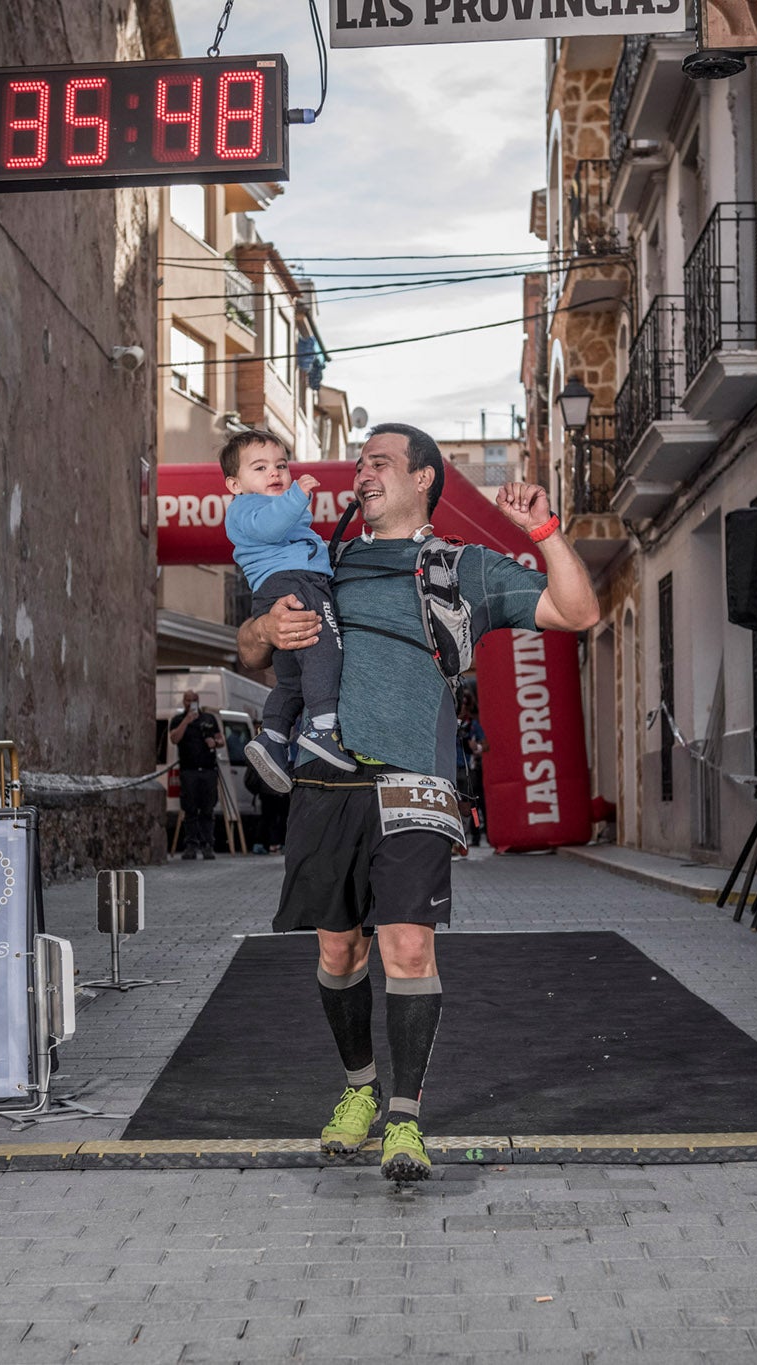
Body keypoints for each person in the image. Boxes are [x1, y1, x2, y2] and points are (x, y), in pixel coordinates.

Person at [235, 423, 599, 1182]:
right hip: (322, 780)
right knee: (339, 950)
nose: (363, 473)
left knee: (406, 947)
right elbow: (248, 649)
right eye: (361, 462)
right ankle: (359, 1089)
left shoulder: (460, 568)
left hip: (414, 781)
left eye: (381, 463)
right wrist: (266, 627)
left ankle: (405, 1119)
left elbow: (575, 613)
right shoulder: (322, 557)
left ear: (425, 477)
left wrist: (545, 533)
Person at [219, 429, 353, 790]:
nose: (275, 473)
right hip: (297, 585)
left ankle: (274, 737)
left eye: (281, 465)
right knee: (326, 649)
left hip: (276, 590)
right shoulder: (249, 507)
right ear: (235, 484)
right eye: (260, 468)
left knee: (292, 679)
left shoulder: (267, 506)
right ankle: (323, 729)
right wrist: (297, 496)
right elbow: (270, 527)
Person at [167, 688, 223, 860]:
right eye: (187, 700)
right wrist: (187, 720)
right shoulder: (177, 719)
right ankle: (191, 845)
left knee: (207, 809)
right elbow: (174, 739)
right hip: (188, 771)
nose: (190, 703)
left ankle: (208, 845)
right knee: (189, 810)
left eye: (193, 700)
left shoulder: (209, 719)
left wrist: (214, 742)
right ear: (183, 702)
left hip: (207, 770)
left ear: (198, 701)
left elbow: (221, 740)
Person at [454, 689, 486, 850]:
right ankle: (457, 838)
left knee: (472, 805)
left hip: (469, 770)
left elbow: (485, 745)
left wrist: (477, 747)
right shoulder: (449, 723)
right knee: (454, 804)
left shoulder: (472, 725)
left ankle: (476, 834)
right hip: (452, 770)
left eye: (465, 706)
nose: (462, 709)